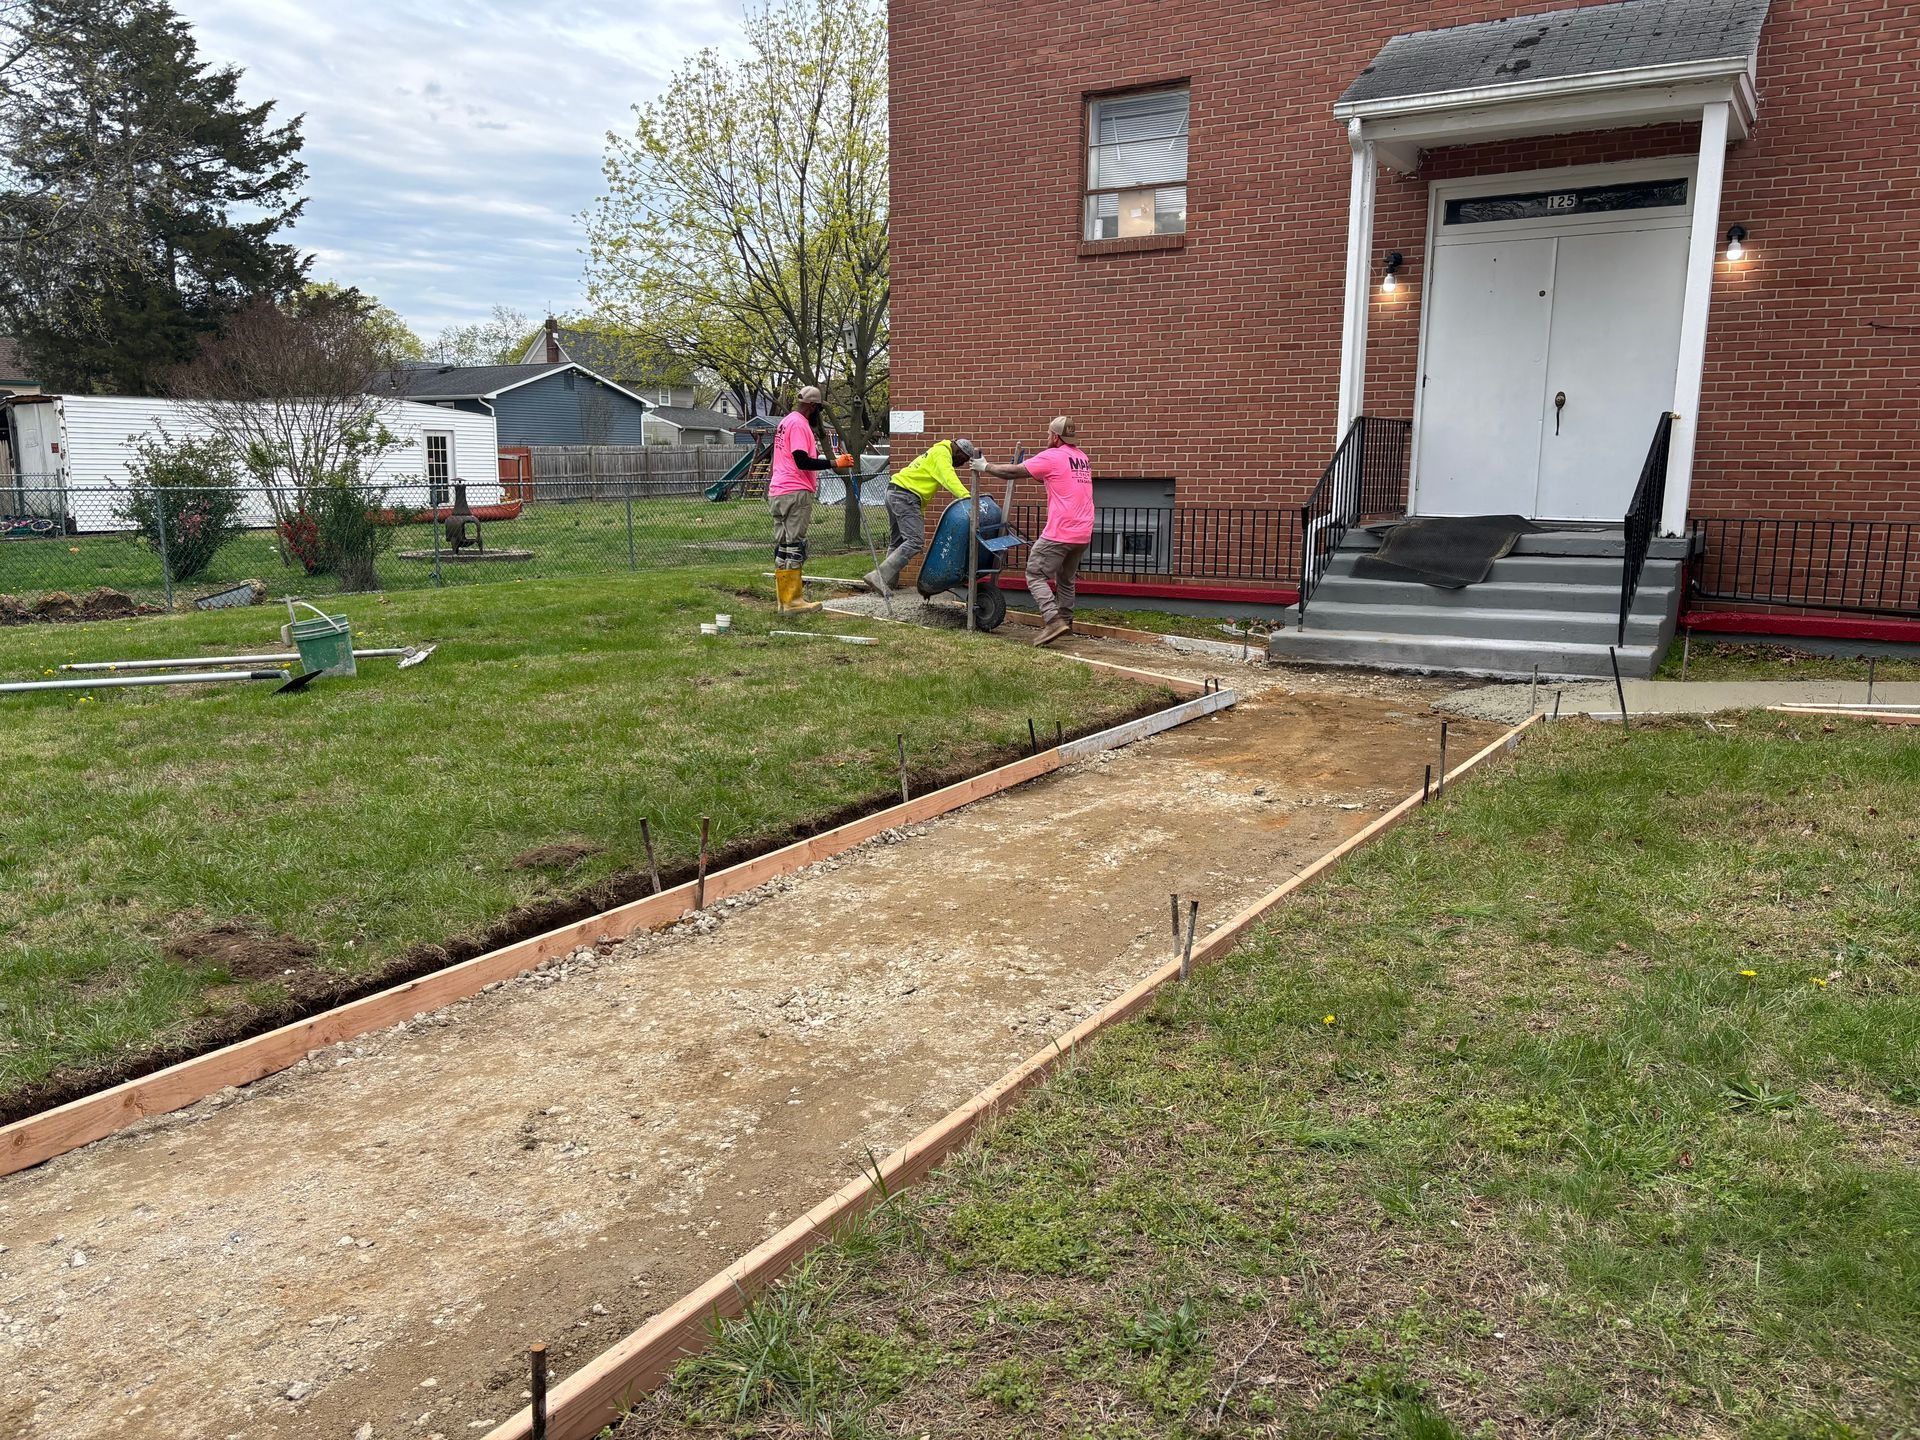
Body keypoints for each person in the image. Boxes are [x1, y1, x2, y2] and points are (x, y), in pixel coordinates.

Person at [980, 416, 1091, 645]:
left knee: (1034, 574)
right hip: (1083, 531)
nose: (1047, 436)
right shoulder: (1081, 457)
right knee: (1066, 579)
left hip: (1061, 531)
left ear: (1056, 436)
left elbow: (1013, 472)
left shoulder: (1052, 456)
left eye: (1049, 433)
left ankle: (1053, 621)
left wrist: (985, 466)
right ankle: (1066, 623)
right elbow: (1056, 478)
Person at [767, 384, 853, 614]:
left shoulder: (785, 422)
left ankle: (783, 602)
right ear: (813, 407)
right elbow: (801, 460)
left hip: (778, 490)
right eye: (819, 410)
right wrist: (835, 463)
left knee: (783, 546)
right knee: (795, 546)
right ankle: (793, 603)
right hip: (795, 490)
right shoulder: (798, 424)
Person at [864, 437, 979, 594]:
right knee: (915, 541)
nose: (962, 464)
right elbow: (949, 478)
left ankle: (885, 584)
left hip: (895, 491)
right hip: (905, 496)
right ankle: (879, 576)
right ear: (958, 450)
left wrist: (920, 513)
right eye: (963, 459)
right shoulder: (942, 453)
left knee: (897, 542)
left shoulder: (936, 451)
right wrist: (968, 498)